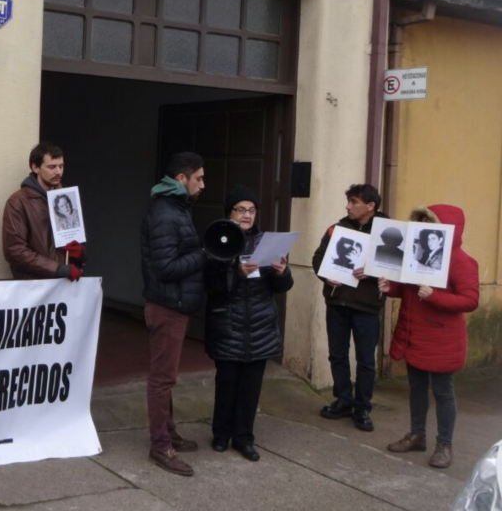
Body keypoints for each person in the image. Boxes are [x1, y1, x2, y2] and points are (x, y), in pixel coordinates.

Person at [379, 205, 478, 469]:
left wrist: (435, 297)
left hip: (442, 340)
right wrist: (391, 288)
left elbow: (470, 300)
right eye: (421, 222)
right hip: (415, 333)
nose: (425, 229)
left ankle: (444, 445)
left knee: (444, 393)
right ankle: (417, 435)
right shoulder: (418, 252)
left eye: (430, 224)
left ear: (446, 229)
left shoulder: (461, 261)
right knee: (417, 389)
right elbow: (411, 288)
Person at [204, 185, 292, 462]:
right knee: (227, 383)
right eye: (240, 210)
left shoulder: (265, 242)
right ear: (229, 213)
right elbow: (211, 286)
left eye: (251, 210)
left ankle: (244, 438)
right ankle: (221, 434)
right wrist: (236, 271)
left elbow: (283, 286)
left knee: (251, 388)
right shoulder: (217, 241)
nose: (246, 215)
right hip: (228, 325)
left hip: (260, 325)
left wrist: (282, 271)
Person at [139, 151, 206, 476]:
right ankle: (160, 445)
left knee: (166, 377)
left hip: (174, 304)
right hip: (167, 306)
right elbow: (165, 267)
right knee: (162, 379)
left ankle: (170, 432)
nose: (203, 185)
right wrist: (203, 255)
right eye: (199, 178)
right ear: (182, 179)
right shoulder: (167, 214)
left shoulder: (175, 208)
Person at [311, 183, 388, 432]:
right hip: (338, 302)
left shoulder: (388, 232)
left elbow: (397, 269)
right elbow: (318, 258)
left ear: (371, 206)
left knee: (366, 361)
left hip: (367, 307)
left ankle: (363, 407)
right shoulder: (337, 228)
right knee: (337, 354)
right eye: (348, 201)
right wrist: (326, 275)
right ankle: (344, 399)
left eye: (354, 202)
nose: (348, 206)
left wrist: (374, 271)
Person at [2, 142, 84, 281]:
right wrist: (56, 269)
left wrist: (80, 254)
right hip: (35, 291)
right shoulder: (18, 202)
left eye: (61, 166)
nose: (58, 172)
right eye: (52, 167)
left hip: (65, 285)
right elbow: (15, 251)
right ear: (35, 167)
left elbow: (72, 240)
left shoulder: (66, 198)